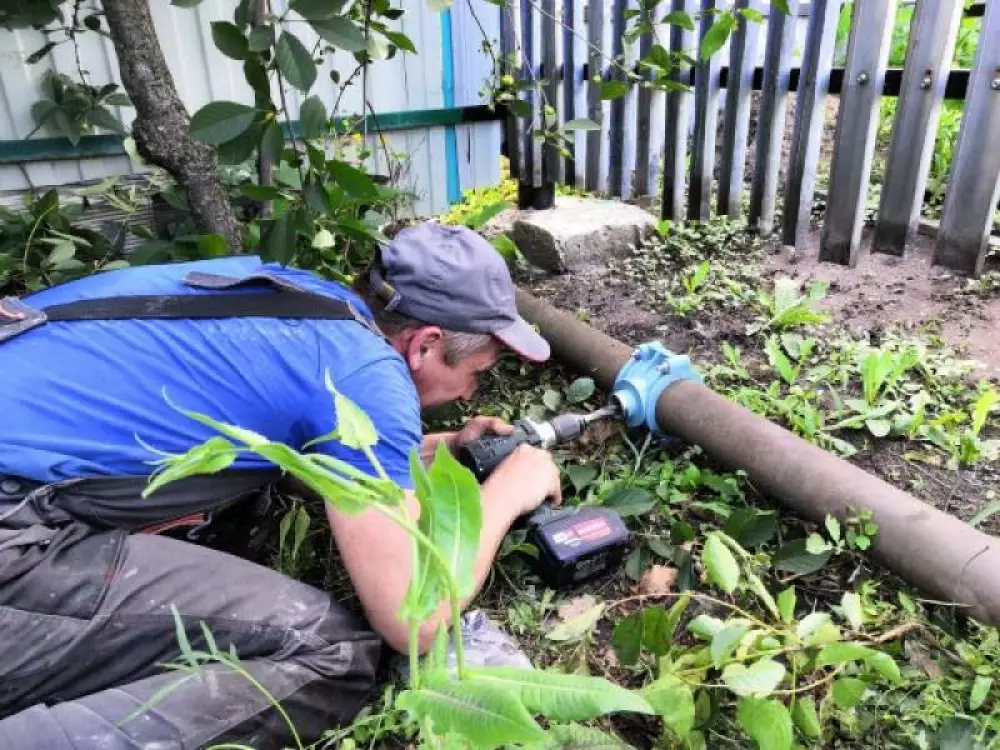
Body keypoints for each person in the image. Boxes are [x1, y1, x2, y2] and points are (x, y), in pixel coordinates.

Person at [0, 223, 563, 749]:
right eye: (476, 373)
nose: (470, 394)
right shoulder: (366, 376)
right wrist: (508, 492)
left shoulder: (305, 304)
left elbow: (313, 447)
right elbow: (414, 618)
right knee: (333, 652)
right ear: (423, 345)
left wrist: (444, 448)